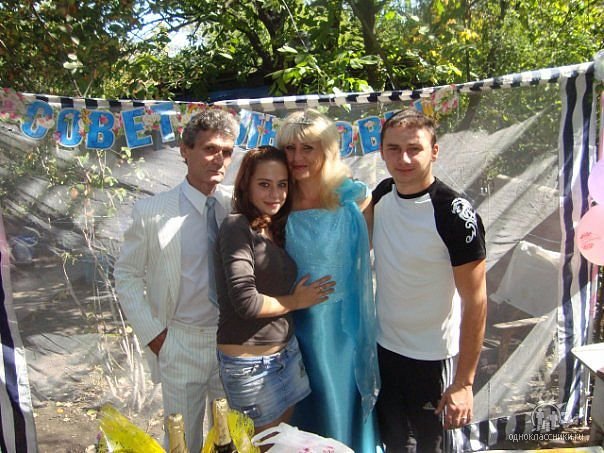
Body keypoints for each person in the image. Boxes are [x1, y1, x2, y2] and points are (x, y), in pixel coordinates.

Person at [114, 108, 240, 453]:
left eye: (227, 152)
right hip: (180, 341)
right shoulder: (152, 212)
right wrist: (155, 335)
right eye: (210, 149)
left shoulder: (237, 206)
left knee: (234, 439)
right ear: (185, 151)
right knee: (182, 442)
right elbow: (126, 275)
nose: (219, 159)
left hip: (231, 341)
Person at [367, 108, 487, 452]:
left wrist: (464, 383)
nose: (403, 158)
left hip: (432, 358)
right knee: (393, 443)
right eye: (394, 149)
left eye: (414, 149)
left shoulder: (455, 214)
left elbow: (476, 301)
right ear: (381, 151)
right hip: (384, 350)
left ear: (434, 151)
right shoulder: (382, 194)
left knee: (431, 447)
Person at [275, 109, 381, 452]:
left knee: (337, 408)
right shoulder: (276, 199)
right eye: (289, 148)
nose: (297, 157)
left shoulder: (354, 197)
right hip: (289, 327)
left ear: (328, 150)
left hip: (340, 330)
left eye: (307, 148)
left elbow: (366, 257)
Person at [214, 145, 335, 435]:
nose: (275, 194)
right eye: (264, 184)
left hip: (286, 355)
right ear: (246, 185)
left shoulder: (273, 226)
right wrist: (297, 301)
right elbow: (247, 303)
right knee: (263, 446)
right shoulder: (236, 226)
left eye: (282, 185)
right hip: (252, 366)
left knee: (283, 442)